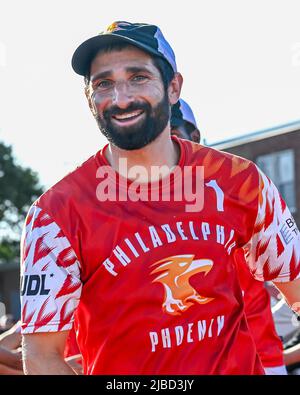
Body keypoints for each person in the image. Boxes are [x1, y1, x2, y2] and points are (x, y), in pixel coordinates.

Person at [20, 21, 300, 375]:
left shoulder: (239, 181)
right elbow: (43, 356)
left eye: (138, 77)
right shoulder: (54, 214)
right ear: (89, 100)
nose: (121, 99)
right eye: (104, 83)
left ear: (173, 88)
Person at [170, 100, 288, 375]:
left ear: (194, 137)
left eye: (173, 133)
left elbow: (288, 275)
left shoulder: (235, 190)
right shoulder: (138, 211)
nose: (164, 146)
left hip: (261, 360)